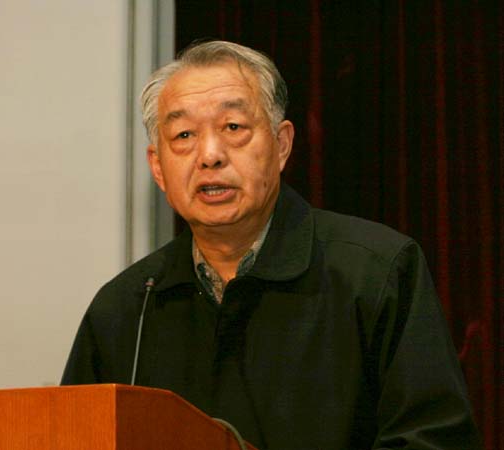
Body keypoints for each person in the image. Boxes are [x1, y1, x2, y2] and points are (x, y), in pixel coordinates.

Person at [61, 41, 481, 449]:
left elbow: (434, 440)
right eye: (184, 134)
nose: (210, 155)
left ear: (281, 145)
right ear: (157, 167)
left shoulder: (376, 273)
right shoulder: (126, 308)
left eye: (233, 127)